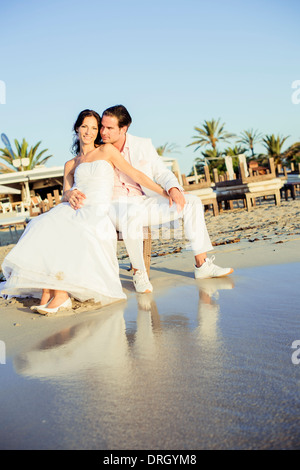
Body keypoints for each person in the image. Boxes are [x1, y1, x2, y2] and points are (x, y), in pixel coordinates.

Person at [0, 109, 169, 315]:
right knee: (42, 225)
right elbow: (65, 193)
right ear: (77, 128)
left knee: (72, 230)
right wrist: (69, 194)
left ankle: (61, 294)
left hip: (98, 210)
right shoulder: (71, 164)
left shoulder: (106, 151)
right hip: (73, 208)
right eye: (84, 127)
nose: (88, 132)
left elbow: (135, 174)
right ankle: (48, 290)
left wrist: (165, 191)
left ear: (98, 131)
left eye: (94, 128)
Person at [64, 105, 234, 294]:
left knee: (191, 202)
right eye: (101, 127)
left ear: (124, 128)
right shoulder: (99, 151)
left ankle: (202, 265)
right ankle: (139, 273)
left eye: (109, 128)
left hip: (143, 201)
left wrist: (172, 190)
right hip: (114, 205)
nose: (103, 132)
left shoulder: (142, 145)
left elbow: (159, 172)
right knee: (130, 215)